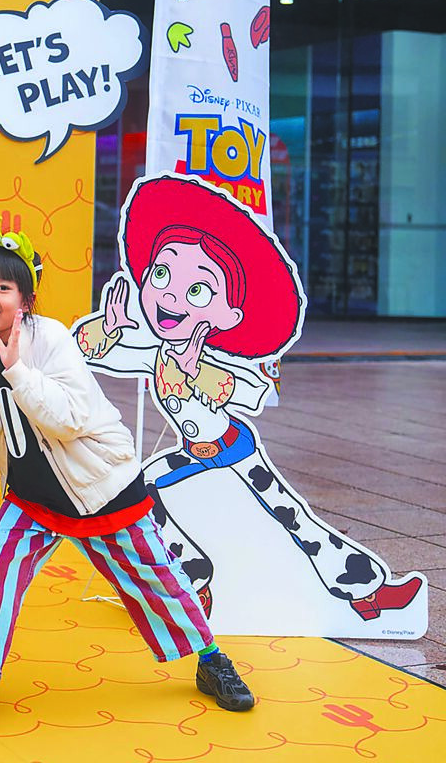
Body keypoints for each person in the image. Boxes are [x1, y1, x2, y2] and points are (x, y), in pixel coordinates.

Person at [0, 219, 254, 730]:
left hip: (101, 487)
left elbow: (68, 419)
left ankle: (211, 660)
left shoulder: (51, 339)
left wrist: (16, 370)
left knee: (157, 577)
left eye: (2, 287)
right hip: (33, 496)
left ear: (26, 298)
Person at [75, 174, 423, 624]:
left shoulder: (213, 357)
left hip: (235, 447)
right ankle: (191, 580)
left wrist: (197, 370)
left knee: (294, 519)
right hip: (192, 453)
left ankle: (367, 590)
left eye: (197, 290)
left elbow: (251, 390)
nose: (170, 295)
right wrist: (109, 327)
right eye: (161, 274)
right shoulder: (157, 352)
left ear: (228, 315)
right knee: (140, 489)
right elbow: (94, 351)